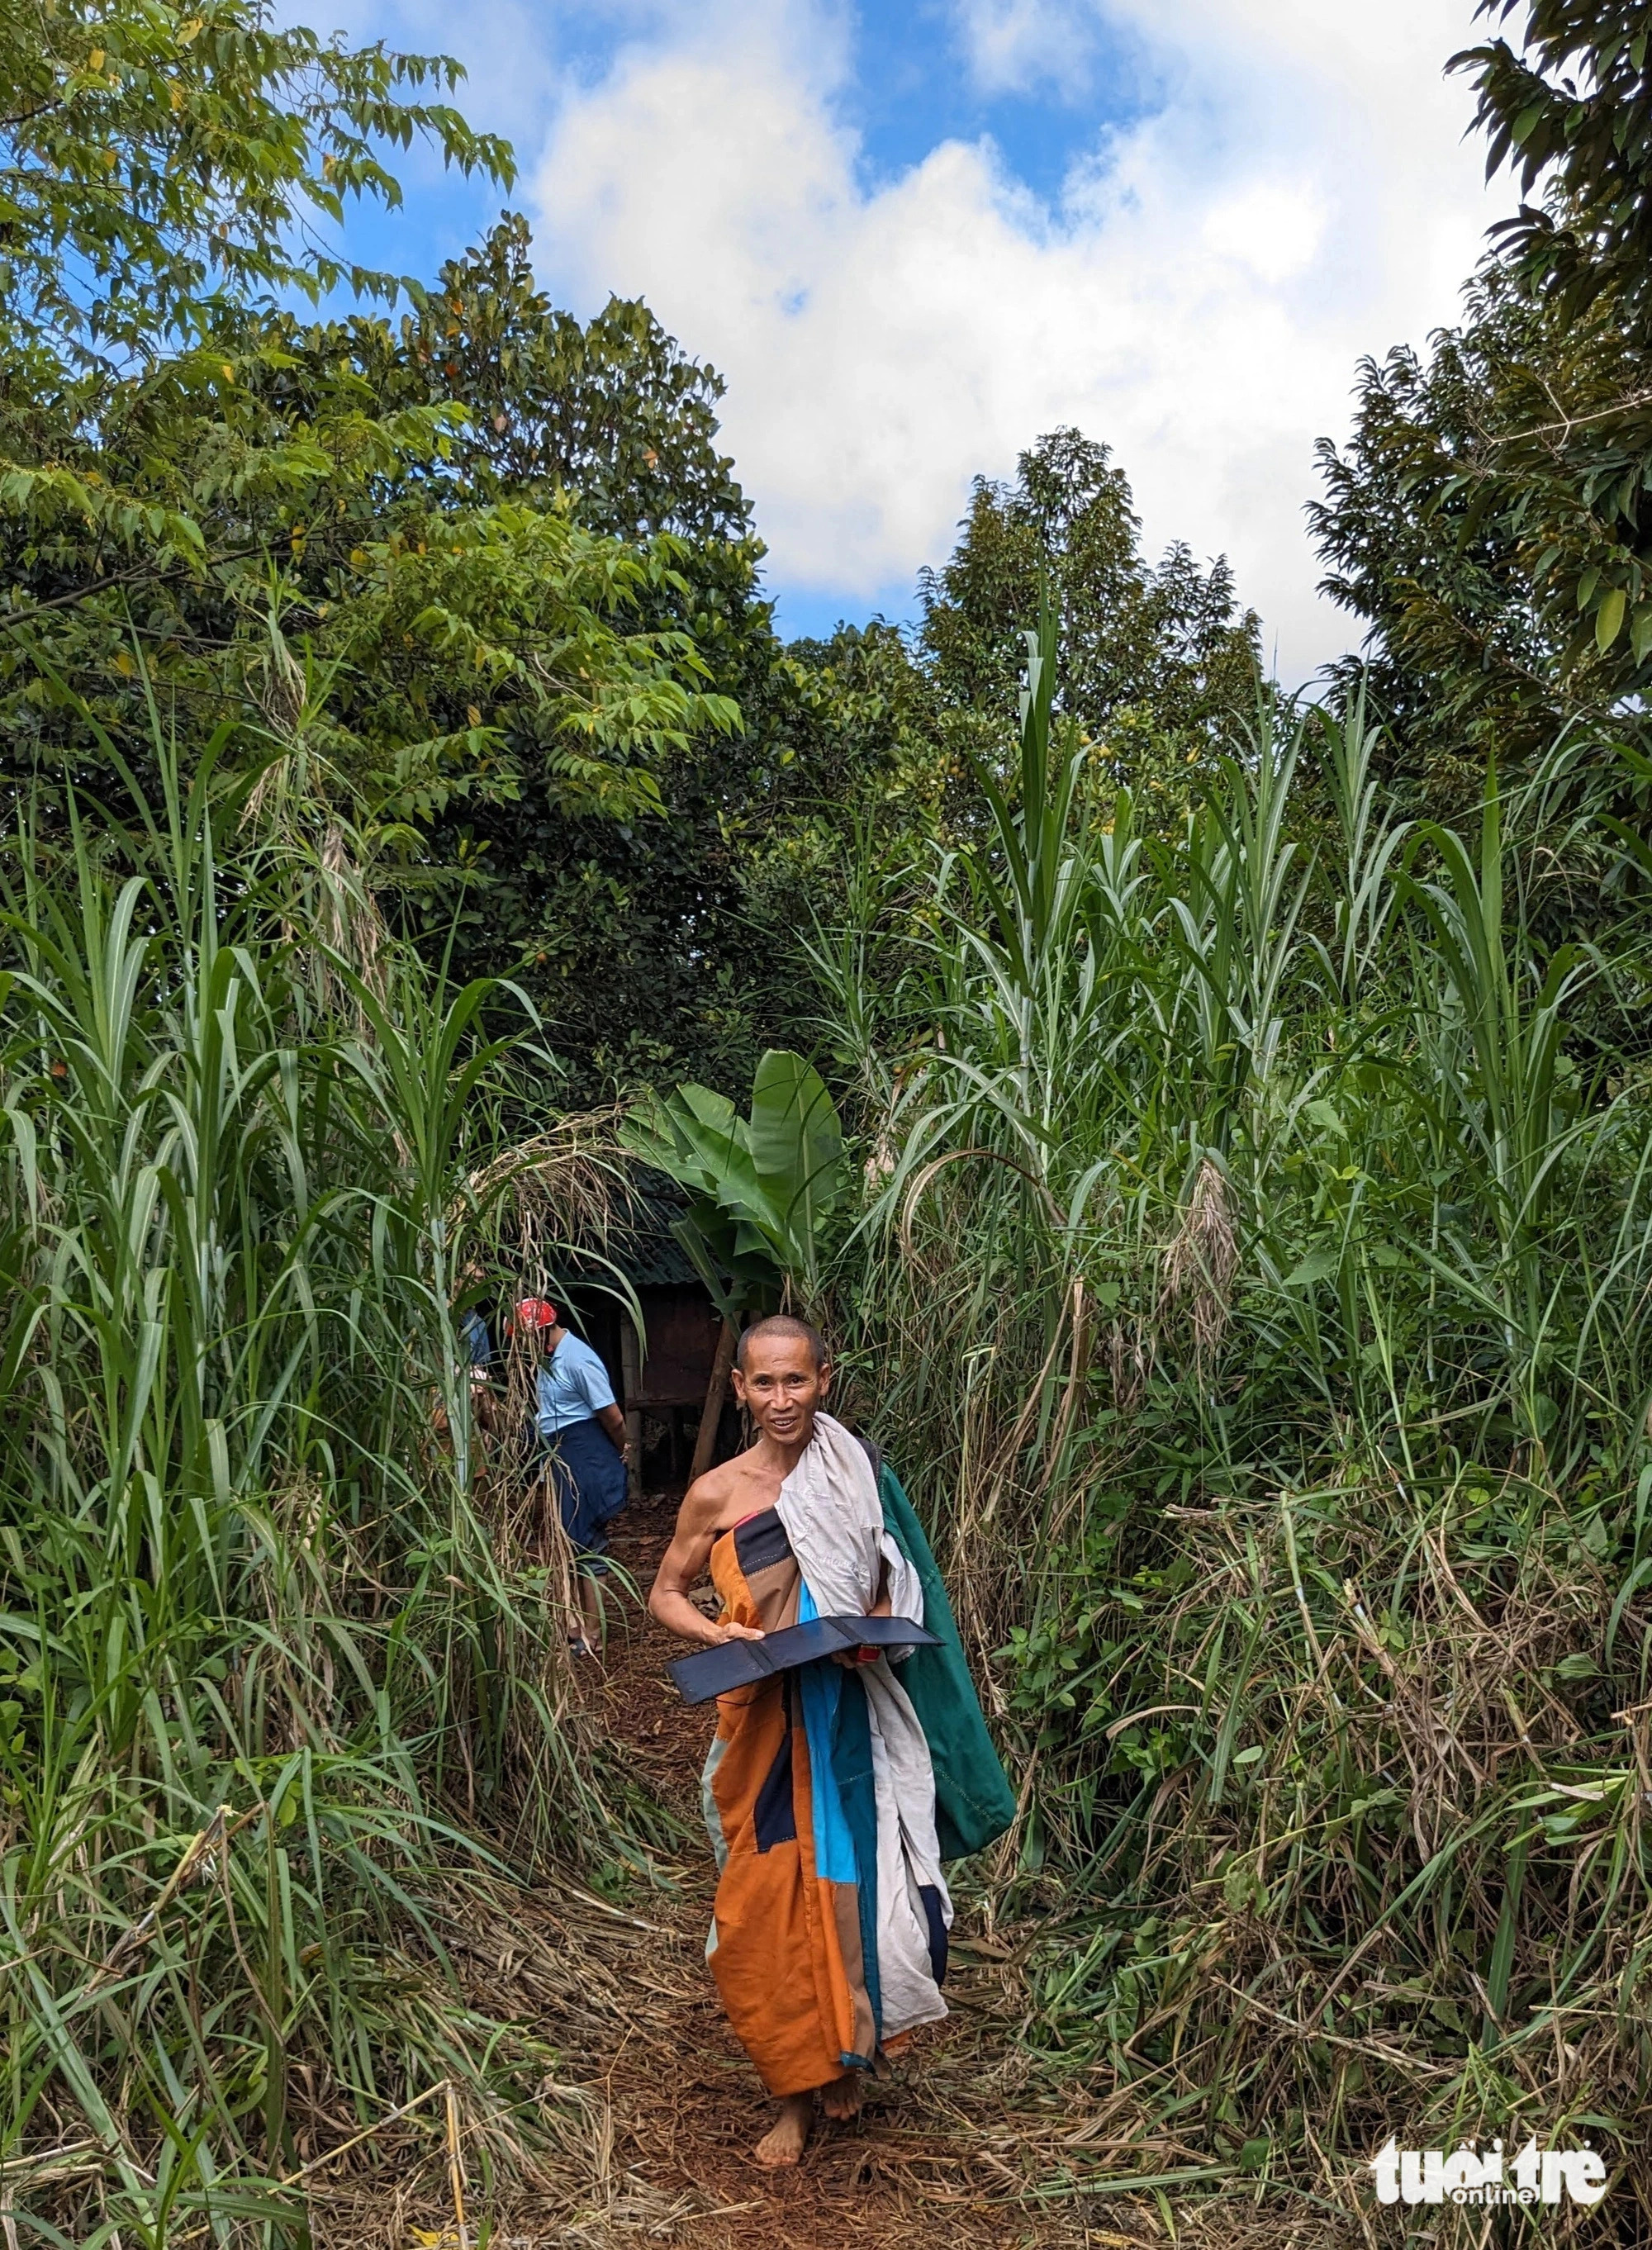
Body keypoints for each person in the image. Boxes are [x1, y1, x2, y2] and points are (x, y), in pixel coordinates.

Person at [647, 1315, 1015, 2169]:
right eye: (764, 1384)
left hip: (850, 1721)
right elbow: (664, 1593)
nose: (782, 1400)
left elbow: (902, 1585)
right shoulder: (717, 1493)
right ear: (740, 1389)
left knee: (855, 1888)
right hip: (760, 1729)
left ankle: (846, 2055)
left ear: (825, 1380)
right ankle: (790, 2092)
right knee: (757, 1912)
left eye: (797, 1381)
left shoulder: (858, 1477)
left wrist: (882, 1624)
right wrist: (717, 1636)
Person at [511, 1298, 631, 1654]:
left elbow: (612, 1416)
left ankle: (592, 1632)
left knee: (588, 1542)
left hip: (585, 1452)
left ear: (543, 1332)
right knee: (567, 1542)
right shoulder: (547, 1361)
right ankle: (573, 1623)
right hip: (559, 1452)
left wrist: (622, 1450)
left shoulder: (577, 1359)